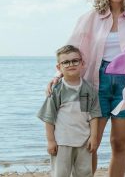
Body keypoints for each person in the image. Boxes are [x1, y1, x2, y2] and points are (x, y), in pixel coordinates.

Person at [47, 0, 125, 176]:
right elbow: (72, 49)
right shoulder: (89, 18)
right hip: (94, 83)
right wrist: (58, 75)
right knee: (90, 142)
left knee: (119, 143)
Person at [38, 45, 101, 177]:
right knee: (60, 174)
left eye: (75, 61)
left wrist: (94, 137)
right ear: (58, 67)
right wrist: (50, 141)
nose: (70, 64)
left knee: (84, 173)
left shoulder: (89, 90)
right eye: (65, 62)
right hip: (62, 142)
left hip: (84, 142)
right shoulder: (56, 90)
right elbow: (48, 118)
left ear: (82, 63)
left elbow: (93, 116)